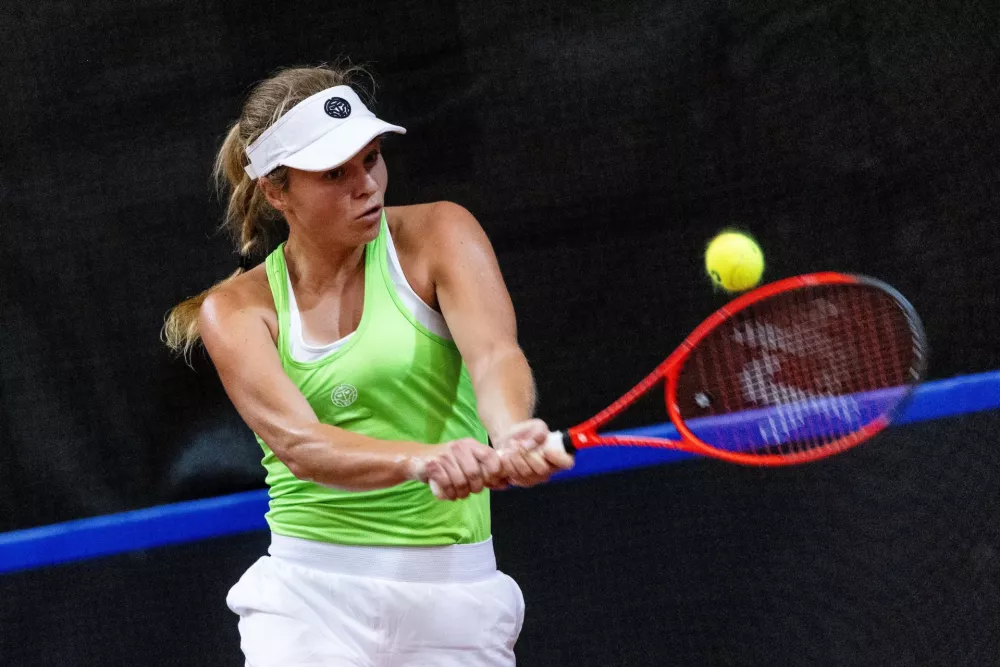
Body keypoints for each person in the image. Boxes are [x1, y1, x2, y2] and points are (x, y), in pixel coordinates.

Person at [162, 64, 574, 666]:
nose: (367, 185)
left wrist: (511, 431)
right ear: (278, 192)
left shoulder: (440, 232)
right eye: (334, 173)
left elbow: (493, 355)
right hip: (309, 597)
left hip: (454, 594)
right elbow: (302, 446)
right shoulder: (235, 310)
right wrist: (422, 459)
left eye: (371, 158)